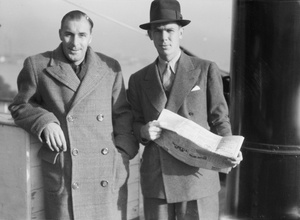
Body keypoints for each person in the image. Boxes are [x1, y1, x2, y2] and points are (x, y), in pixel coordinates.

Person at [9, 10, 138, 220]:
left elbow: (122, 114)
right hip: (66, 173)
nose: (74, 42)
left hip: (105, 172)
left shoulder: (110, 67)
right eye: (69, 34)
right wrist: (44, 121)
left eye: (82, 35)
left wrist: (122, 153)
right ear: (60, 33)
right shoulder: (38, 65)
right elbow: (20, 105)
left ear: (90, 37)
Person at [127, 0, 243, 219]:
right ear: (150, 35)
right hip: (157, 180)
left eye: (170, 30)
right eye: (158, 31)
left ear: (181, 32)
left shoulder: (205, 69)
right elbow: (134, 121)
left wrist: (230, 148)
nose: (164, 38)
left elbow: (220, 118)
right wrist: (143, 131)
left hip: (198, 175)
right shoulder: (137, 80)